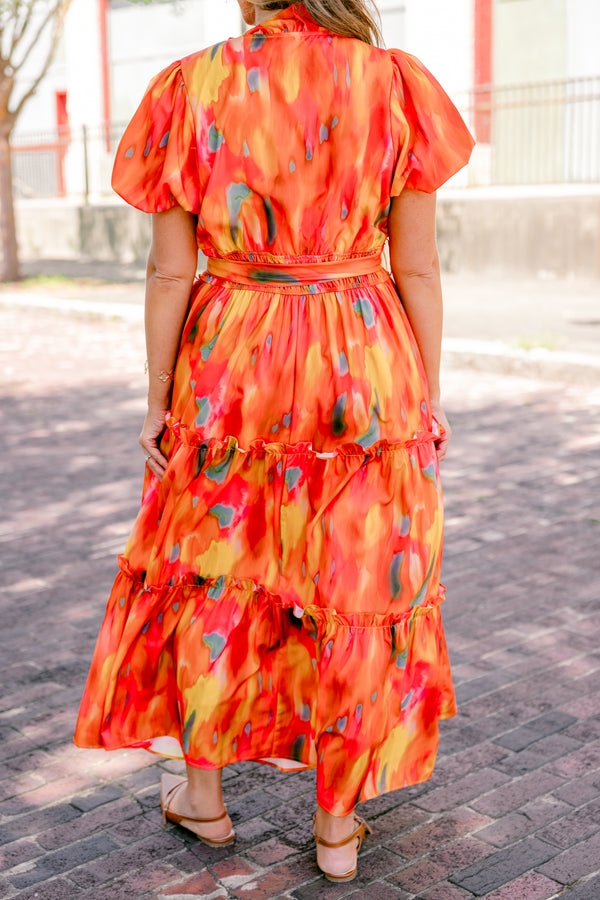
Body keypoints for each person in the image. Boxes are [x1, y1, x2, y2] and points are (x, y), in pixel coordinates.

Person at [74, 0, 474, 883]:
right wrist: (425, 391)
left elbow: (170, 267)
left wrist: (158, 398)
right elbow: (417, 265)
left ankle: (205, 801)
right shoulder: (394, 84)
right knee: (352, 580)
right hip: (360, 354)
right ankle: (336, 829)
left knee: (213, 568)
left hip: (232, 358)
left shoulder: (191, 85)